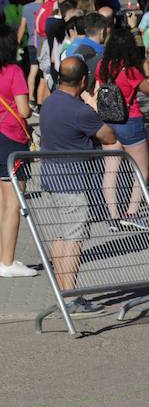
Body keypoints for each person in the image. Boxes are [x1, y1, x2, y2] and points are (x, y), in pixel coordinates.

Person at [38, 57, 119, 315]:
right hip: (73, 182)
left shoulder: (49, 102)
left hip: (51, 177)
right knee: (74, 239)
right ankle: (71, 298)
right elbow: (109, 136)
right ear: (84, 81)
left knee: (61, 235)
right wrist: (93, 107)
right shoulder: (79, 110)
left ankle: (65, 292)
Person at [94, 25, 149, 232]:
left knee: (111, 170)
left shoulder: (103, 65)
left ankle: (112, 216)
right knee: (141, 170)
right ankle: (132, 213)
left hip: (108, 121)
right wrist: (145, 69)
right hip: (130, 119)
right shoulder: (129, 68)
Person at [0, 28, 36, 277]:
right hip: (12, 138)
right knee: (13, 204)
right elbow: (23, 110)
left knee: (2, 204)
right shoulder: (13, 71)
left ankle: (4, 256)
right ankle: (8, 261)